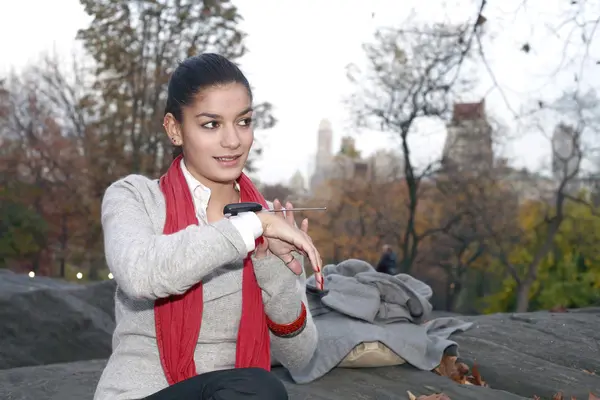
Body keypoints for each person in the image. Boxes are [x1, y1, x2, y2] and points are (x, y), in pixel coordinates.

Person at [94, 53, 324, 400]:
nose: (233, 140)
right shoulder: (134, 197)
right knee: (257, 389)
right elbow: (141, 273)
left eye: (243, 121)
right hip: (142, 394)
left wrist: (273, 271)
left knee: (258, 388)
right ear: (174, 129)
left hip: (236, 393)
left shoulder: (270, 227)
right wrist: (248, 228)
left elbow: (301, 357)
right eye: (211, 124)